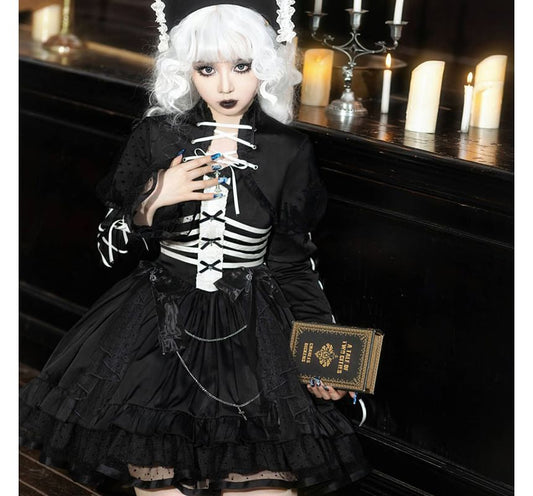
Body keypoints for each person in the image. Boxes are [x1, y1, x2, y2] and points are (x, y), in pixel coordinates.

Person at [19, 1, 370, 495]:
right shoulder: (157, 136)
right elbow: (105, 252)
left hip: (253, 330)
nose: (225, 86)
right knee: (160, 477)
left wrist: (327, 359)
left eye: (241, 66)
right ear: (186, 70)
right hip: (159, 328)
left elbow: (294, 262)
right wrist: (153, 199)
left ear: (265, 66)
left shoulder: (288, 150)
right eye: (207, 69)